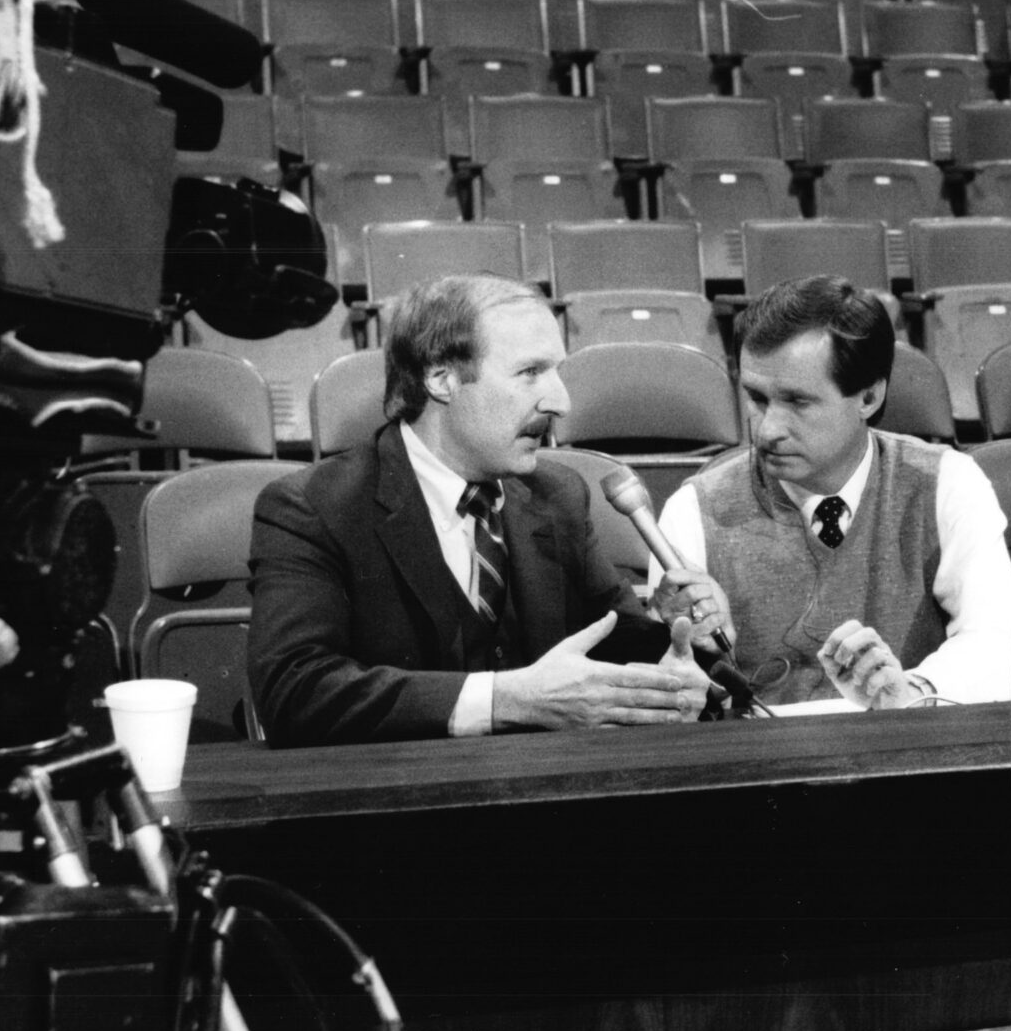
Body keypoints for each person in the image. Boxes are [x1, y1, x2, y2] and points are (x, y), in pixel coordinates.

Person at [247, 273, 719, 745]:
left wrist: (674, 636)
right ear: (440, 378)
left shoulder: (558, 495)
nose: (561, 401)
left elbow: (608, 645)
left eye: (557, 372)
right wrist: (505, 700)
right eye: (530, 372)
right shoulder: (313, 508)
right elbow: (295, 691)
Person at [657, 275, 1011, 707]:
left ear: (868, 397)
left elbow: (998, 640)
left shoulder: (948, 484)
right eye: (756, 398)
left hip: (908, 754)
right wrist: (694, 654)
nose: (767, 429)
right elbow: (678, 689)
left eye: (798, 402)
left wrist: (914, 690)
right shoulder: (692, 511)